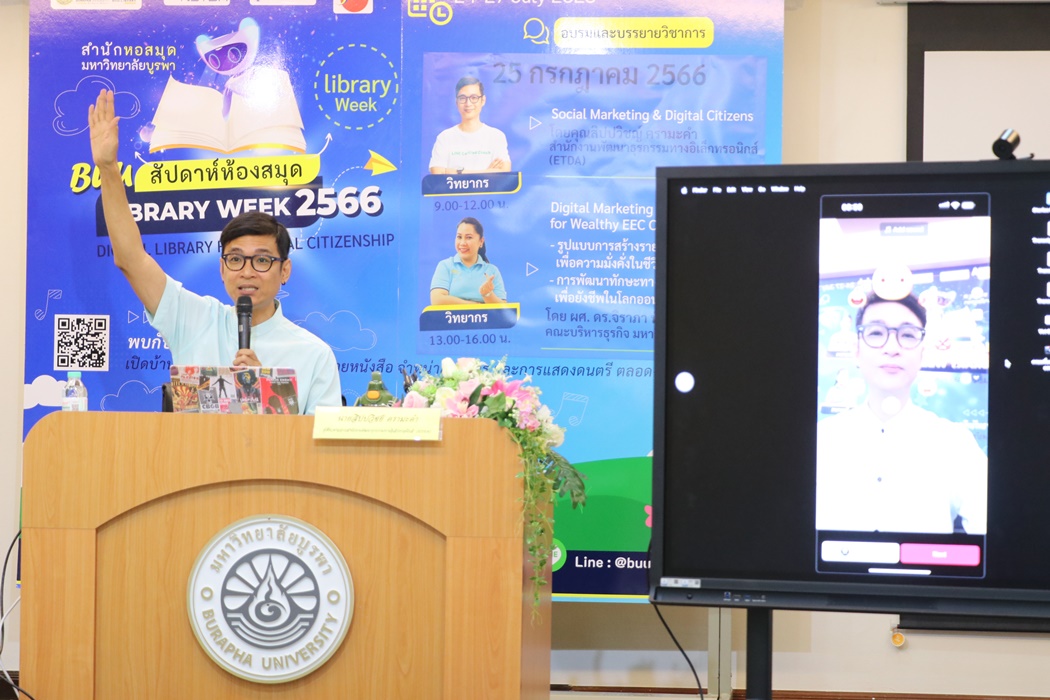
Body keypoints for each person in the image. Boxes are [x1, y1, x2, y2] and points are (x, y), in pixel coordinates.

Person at [88, 89, 341, 415]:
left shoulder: (313, 355)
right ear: (222, 269)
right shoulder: (194, 319)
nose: (246, 271)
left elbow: (319, 445)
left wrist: (265, 399)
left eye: (262, 260)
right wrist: (108, 169)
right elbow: (130, 259)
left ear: (285, 270)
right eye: (235, 259)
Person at [815, 291, 987, 535]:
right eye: (876, 333)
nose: (892, 348)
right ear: (856, 351)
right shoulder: (821, 440)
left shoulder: (955, 442)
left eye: (907, 335)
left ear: (922, 354)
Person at [428, 77, 511, 174]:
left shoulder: (496, 136)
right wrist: (487, 172)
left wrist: (456, 172)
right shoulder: (445, 137)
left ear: (483, 100)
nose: (468, 103)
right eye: (462, 98)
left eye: (474, 98)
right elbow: (437, 173)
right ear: (456, 102)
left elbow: (504, 172)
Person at [429, 217, 506, 305]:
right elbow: (437, 300)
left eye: (469, 237)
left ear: (481, 241)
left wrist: (487, 294)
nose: (462, 243)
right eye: (459, 237)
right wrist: (473, 306)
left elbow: (503, 309)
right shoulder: (445, 266)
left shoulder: (492, 271)